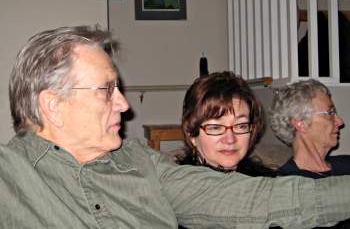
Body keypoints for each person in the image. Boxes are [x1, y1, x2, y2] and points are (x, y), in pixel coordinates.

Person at [2, 26, 350, 228]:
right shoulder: (10, 181)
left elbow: (255, 200)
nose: (124, 104)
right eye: (107, 90)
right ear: (53, 105)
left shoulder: (141, 163)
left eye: (240, 125)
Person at [178, 71, 276, 177]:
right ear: (191, 133)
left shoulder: (268, 184)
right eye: (215, 127)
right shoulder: (178, 187)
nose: (230, 139)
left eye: (241, 126)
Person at [269, 79, 350, 178]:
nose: (340, 122)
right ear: (301, 124)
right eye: (330, 113)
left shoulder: (345, 164)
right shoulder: (288, 183)